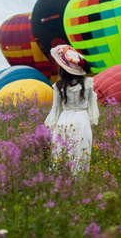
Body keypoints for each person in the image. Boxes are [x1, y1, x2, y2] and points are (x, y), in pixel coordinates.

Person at [45, 44, 99, 174]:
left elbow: (56, 108)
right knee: (81, 152)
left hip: (64, 120)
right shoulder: (88, 83)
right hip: (81, 120)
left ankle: (60, 181)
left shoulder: (58, 86)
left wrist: (52, 125)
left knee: (60, 153)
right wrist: (92, 119)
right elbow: (92, 104)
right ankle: (78, 182)